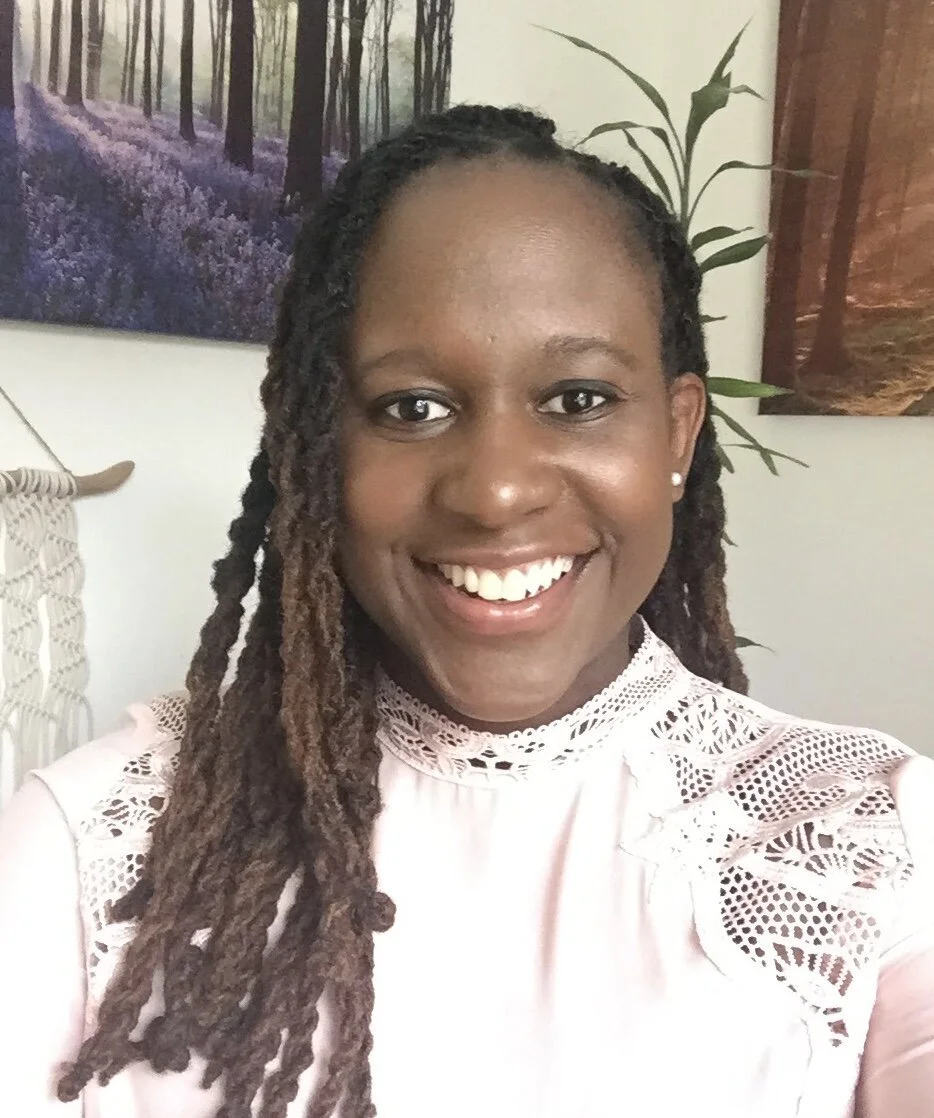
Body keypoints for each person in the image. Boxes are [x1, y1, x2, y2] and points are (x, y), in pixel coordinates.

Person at [0, 105, 932, 1118]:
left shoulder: (872, 835)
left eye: (577, 398)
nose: (494, 491)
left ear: (675, 433)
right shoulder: (89, 841)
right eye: (413, 407)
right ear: (317, 449)